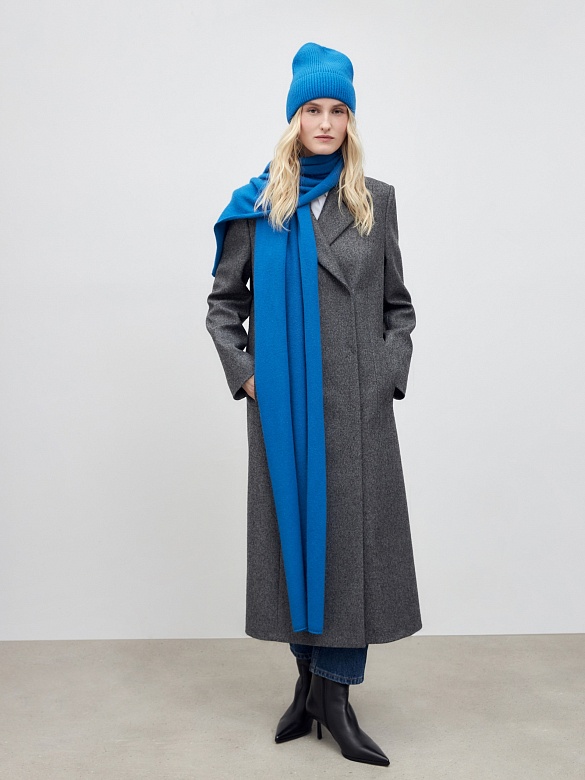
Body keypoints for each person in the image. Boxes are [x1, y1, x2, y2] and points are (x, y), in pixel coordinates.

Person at [206, 42, 422, 768]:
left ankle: (334, 697)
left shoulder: (375, 200)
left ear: (350, 121)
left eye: (337, 110)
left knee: (353, 550)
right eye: (312, 109)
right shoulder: (259, 202)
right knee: (293, 542)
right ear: (293, 118)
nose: (325, 122)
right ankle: (307, 687)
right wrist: (248, 377)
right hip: (286, 411)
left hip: (357, 412)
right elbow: (223, 306)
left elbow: (398, 306)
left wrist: (384, 375)